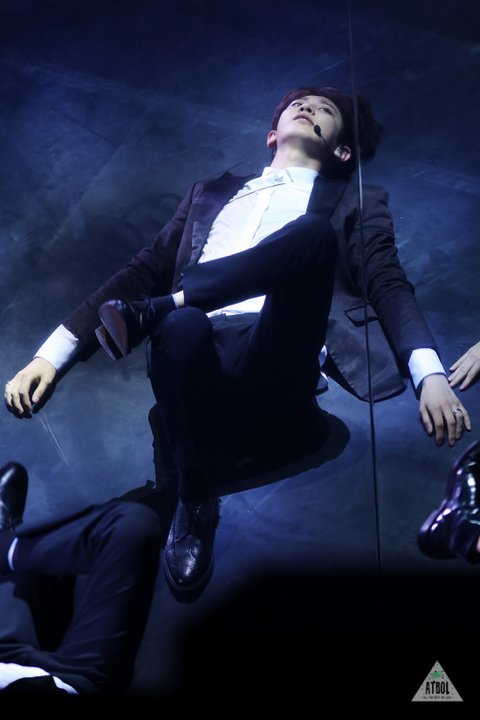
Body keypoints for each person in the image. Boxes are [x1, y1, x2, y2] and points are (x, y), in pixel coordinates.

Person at [4, 85, 472, 595]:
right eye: (298, 103)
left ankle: (165, 307)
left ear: (342, 151)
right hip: (194, 348)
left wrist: (429, 374)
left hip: (276, 346)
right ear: (272, 134)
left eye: (325, 109)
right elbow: (140, 271)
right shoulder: (207, 193)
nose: (307, 107)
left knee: (312, 236)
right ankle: (195, 493)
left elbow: (387, 281)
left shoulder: (353, 201)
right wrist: (53, 354)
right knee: (181, 325)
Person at [0, 461, 161, 696]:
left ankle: (7, 547)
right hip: (71, 682)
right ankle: (6, 545)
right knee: (130, 527)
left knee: (35, 574)